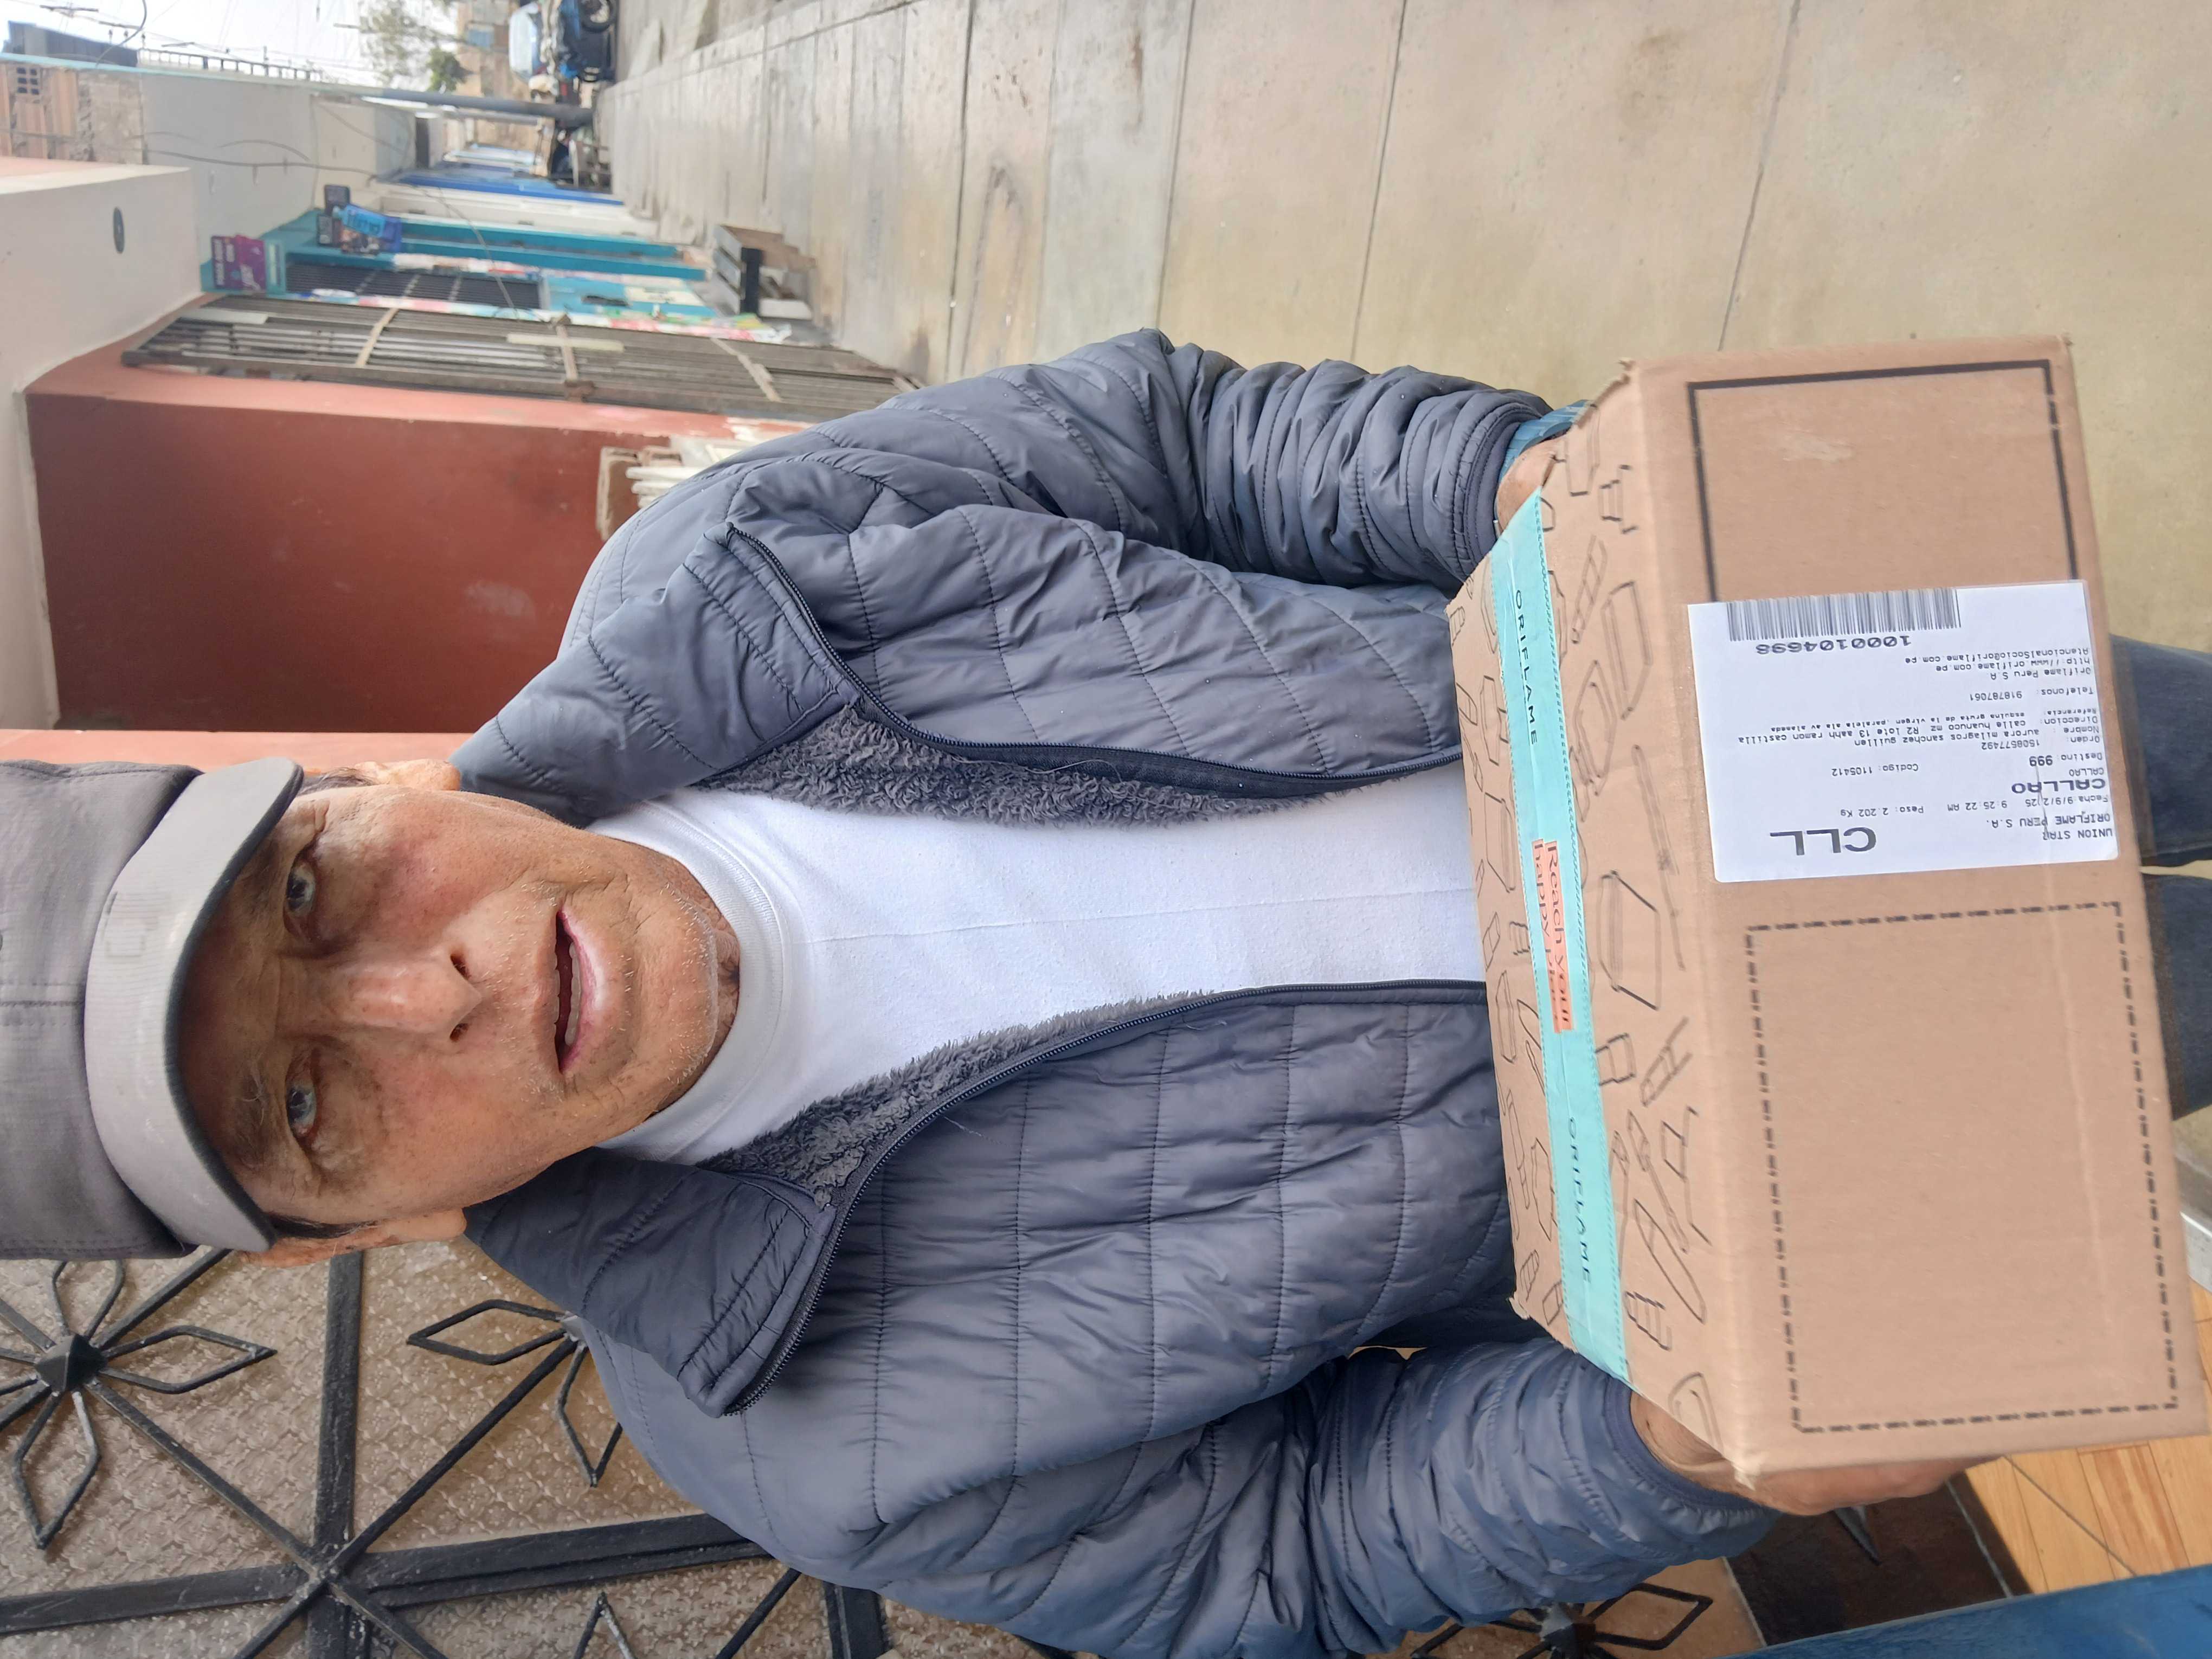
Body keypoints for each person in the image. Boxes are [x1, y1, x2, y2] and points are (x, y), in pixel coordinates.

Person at [8, 333, 2209, 1659]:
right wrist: (1661, 1453)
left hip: (1777, 700)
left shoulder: (730, 574)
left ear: (354, 780)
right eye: (313, 1106)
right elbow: (1297, 1551)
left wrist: (1499, 482)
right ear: (350, 1238)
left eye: (319, 890)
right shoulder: (821, 1446)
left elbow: (1181, 443)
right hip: (1847, 1122)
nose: (434, 992)